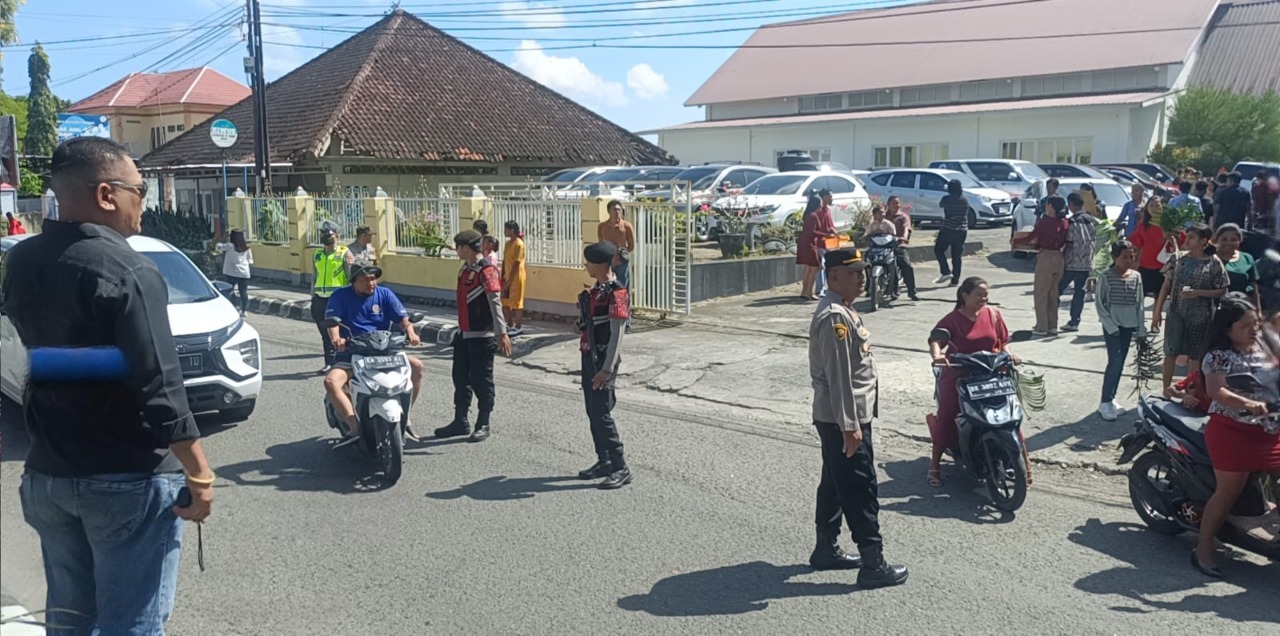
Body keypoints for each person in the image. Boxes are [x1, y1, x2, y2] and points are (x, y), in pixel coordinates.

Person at [0, 137, 214, 633]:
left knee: (70, 621)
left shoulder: (23, 261)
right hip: (127, 480)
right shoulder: (129, 268)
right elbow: (159, 384)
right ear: (106, 194)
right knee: (132, 624)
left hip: (49, 474)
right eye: (140, 190)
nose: (145, 203)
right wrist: (200, 475)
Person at [808, 248, 908, 589]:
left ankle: (826, 549)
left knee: (835, 482)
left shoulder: (844, 309)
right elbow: (839, 377)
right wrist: (850, 426)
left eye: (863, 271)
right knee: (859, 487)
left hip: (838, 417)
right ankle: (873, 564)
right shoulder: (834, 317)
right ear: (834, 277)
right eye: (853, 273)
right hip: (844, 419)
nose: (862, 278)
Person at [1194, 297, 1280, 577]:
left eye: (1256, 324)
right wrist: (1248, 403)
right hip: (1232, 432)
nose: (1254, 330)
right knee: (1227, 493)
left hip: (1268, 431)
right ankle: (1203, 550)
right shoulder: (1217, 356)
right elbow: (1216, 391)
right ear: (1227, 329)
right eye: (1246, 326)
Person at [927, 277, 1018, 484]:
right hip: (959, 375)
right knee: (947, 415)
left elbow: (1003, 342)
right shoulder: (952, 319)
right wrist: (937, 356)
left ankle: (1023, 462)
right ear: (964, 295)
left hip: (989, 375)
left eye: (986, 295)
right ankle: (934, 465)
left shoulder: (993, 315)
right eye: (978, 295)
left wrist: (1011, 355)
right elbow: (936, 341)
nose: (983, 299)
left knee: (1010, 413)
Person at [323, 264, 424, 444]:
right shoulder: (340, 296)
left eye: (373, 278)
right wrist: (337, 338)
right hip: (352, 353)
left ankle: (407, 416)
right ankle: (353, 426)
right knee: (331, 381)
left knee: (417, 366)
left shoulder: (384, 294)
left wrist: (410, 332)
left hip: (383, 351)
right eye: (365, 280)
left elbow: (403, 319)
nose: (371, 283)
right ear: (354, 281)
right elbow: (333, 323)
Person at [434, 229, 513, 443]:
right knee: (460, 378)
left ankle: (483, 423)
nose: (456, 251)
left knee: (481, 381)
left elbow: (495, 303)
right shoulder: (465, 269)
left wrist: (502, 333)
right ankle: (460, 420)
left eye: (458, 247)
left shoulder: (486, 270)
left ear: (466, 248)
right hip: (464, 334)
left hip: (482, 336)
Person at [577, 240, 633, 489]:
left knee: (601, 413)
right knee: (592, 411)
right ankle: (604, 460)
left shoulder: (616, 292)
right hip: (589, 355)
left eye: (589, 263)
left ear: (600, 266)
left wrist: (607, 369)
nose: (586, 266)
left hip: (603, 360)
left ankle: (620, 466)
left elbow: (617, 334)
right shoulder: (597, 289)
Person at [1152, 223, 1229, 392]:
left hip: (1201, 317)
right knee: (1171, 351)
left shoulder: (1213, 262)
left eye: (1192, 237)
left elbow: (1222, 290)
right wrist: (1157, 313)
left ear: (1203, 241)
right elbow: (1166, 286)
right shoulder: (1178, 259)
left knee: (1195, 356)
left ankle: (1190, 392)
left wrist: (1199, 293)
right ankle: (1166, 389)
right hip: (1176, 312)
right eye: (1187, 236)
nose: (1187, 240)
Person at [1095, 240, 1145, 421]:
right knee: (1114, 361)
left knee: (1121, 362)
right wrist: (1111, 326)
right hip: (1113, 326)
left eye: (1131, 257)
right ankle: (1104, 402)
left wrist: (1141, 329)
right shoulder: (1106, 276)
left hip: (1128, 325)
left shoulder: (1136, 277)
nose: (1128, 261)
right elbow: (1100, 304)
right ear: (1114, 257)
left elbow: (1139, 304)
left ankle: (1111, 397)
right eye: (1124, 257)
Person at [1015, 195, 1069, 336]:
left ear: (1050, 206)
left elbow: (1032, 236)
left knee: (1041, 294)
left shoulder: (1045, 222)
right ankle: (1052, 326)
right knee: (1053, 294)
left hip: (1046, 257)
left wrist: (1016, 241)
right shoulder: (1064, 222)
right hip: (1059, 257)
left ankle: (1041, 327)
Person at [312, 223, 353, 372]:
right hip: (320, 299)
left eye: (329, 235)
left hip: (337, 299)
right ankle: (329, 362)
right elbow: (314, 277)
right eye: (323, 235)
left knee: (339, 332)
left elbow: (350, 276)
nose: (326, 237)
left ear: (337, 235)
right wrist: (313, 296)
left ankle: (342, 361)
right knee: (325, 332)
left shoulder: (344, 253)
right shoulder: (317, 254)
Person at [1060, 192, 1098, 332]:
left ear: (1070, 204)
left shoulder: (1072, 222)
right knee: (1079, 293)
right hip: (1086, 262)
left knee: (1057, 289)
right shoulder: (1092, 220)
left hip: (1071, 263)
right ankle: (1074, 321)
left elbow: (1068, 241)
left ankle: (1050, 320)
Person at [1128, 197, 1178, 297]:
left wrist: (1168, 237)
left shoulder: (1169, 224)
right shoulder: (1144, 223)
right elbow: (1136, 244)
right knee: (1140, 295)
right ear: (1147, 208)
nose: (1154, 208)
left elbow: (1178, 245)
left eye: (1157, 206)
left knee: (1159, 297)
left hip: (1163, 266)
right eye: (1151, 206)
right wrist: (1133, 261)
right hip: (1144, 265)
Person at [596, 200, 636, 324]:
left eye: (619, 210)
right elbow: (601, 243)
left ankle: (626, 320)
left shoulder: (626, 226)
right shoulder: (602, 227)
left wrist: (622, 253)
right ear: (609, 211)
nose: (617, 212)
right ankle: (609, 317)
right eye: (614, 210)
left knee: (623, 291)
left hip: (621, 263)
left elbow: (631, 245)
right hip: (607, 264)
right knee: (606, 291)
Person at [797, 192, 836, 300]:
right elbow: (812, 232)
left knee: (809, 268)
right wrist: (826, 235)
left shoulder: (808, 215)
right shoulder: (813, 216)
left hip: (806, 243)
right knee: (814, 267)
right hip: (810, 244)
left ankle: (806, 292)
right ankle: (808, 292)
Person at [1213, 223, 1261, 311]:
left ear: (1240, 240)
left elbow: (1254, 287)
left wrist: (1258, 310)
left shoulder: (1247, 258)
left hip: (1242, 308)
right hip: (1214, 308)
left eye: (1233, 239)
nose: (1228, 243)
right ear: (1217, 240)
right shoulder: (1210, 258)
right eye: (1224, 239)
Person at [934, 179, 969, 286]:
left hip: (948, 229)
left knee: (939, 250)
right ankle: (955, 280)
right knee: (956, 257)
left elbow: (941, 205)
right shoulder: (964, 200)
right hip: (962, 230)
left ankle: (945, 271)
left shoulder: (947, 199)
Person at [886, 196, 918, 301]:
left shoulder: (903, 217)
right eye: (894, 203)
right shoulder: (883, 216)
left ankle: (912, 291)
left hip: (898, 245)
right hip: (884, 246)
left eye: (898, 203)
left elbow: (906, 228)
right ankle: (870, 287)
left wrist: (903, 237)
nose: (896, 205)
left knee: (906, 265)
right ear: (888, 204)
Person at [215, 228, 253, 315]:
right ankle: (244, 311)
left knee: (228, 291)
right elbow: (250, 261)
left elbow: (218, 246)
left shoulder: (229, 246)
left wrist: (224, 238)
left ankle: (232, 307)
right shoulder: (247, 248)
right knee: (243, 292)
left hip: (231, 273)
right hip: (244, 273)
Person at [502, 220, 527, 336]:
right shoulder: (508, 244)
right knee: (505, 301)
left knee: (517, 303)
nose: (504, 231)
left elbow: (516, 264)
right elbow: (504, 261)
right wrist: (503, 276)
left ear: (511, 230)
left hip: (516, 277)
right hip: (507, 276)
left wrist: (510, 280)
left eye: (506, 229)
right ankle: (510, 325)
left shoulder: (518, 244)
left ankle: (518, 326)